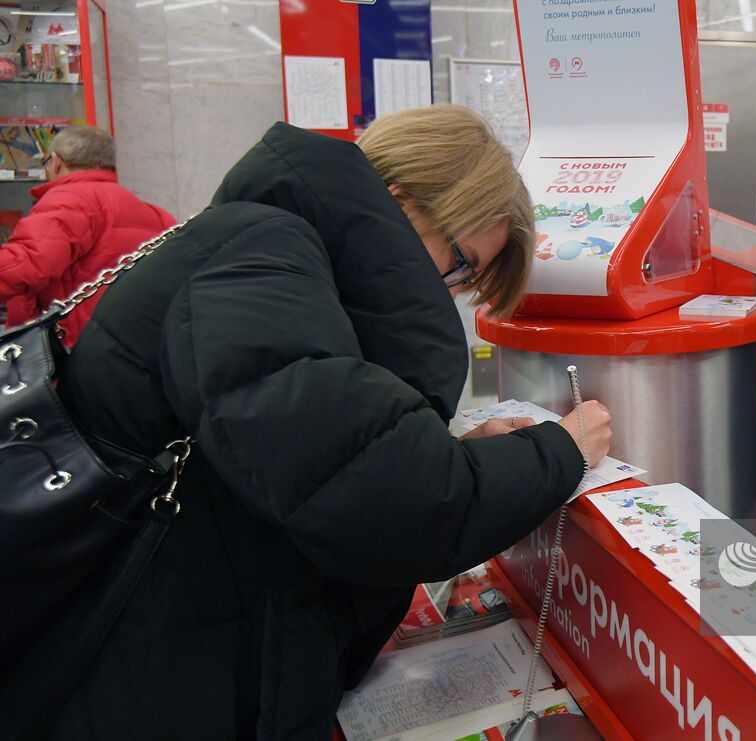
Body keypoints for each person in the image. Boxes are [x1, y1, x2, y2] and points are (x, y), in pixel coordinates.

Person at [0, 106, 612, 738]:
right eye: (460, 263)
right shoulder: (260, 258)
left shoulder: (273, 251)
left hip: (180, 641)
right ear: (401, 201)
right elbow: (385, 495)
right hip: (144, 676)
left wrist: (454, 447)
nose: (451, 291)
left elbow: (314, 446)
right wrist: (559, 450)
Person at [0, 124, 175, 344]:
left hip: (77, 350)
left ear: (55, 162)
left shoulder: (69, 199)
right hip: (140, 349)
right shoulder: (156, 214)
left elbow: (25, 264)